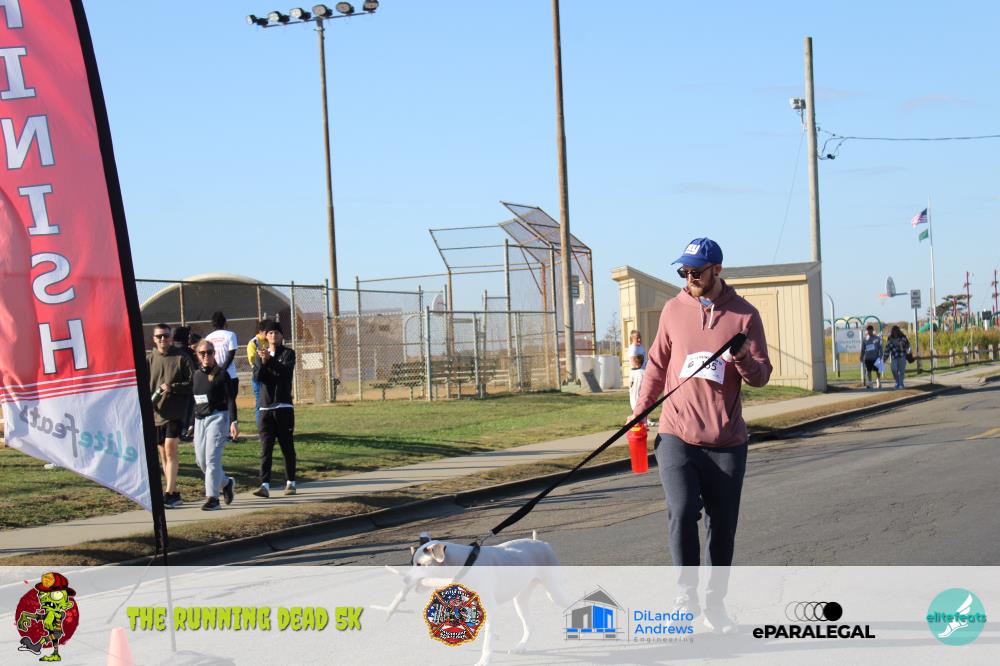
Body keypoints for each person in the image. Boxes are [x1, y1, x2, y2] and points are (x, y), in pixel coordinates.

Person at [631, 237, 772, 633]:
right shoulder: (674, 310)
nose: (688, 278)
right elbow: (657, 365)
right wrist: (641, 410)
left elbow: (762, 375)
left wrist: (741, 359)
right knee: (681, 510)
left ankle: (715, 604)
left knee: (722, 525)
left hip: (726, 441)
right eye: (684, 271)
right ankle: (686, 596)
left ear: (717, 270)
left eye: (695, 272)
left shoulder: (745, 316)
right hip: (677, 433)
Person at [146, 323, 194, 508]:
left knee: (170, 448)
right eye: (159, 336)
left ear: (171, 337)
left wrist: (173, 387)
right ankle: (173, 492)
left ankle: (169, 493)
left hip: (176, 412)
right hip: (157, 413)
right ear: (154, 339)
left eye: (166, 336)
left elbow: (193, 383)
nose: (162, 339)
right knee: (163, 455)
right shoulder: (150, 360)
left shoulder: (181, 358)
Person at [252, 320, 297, 498]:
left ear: (282, 336)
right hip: (266, 408)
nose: (273, 335)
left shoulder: (288, 353)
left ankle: (291, 482)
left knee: (287, 446)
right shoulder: (260, 355)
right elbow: (259, 377)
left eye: (277, 333)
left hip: (283, 406)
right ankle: (264, 485)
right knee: (266, 448)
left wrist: (270, 361)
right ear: (265, 336)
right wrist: (264, 362)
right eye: (270, 333)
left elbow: (284, 373)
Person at [191, 339, 237, 511]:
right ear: (197, 355)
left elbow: (231, 399)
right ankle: (226, 482)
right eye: (202, 353)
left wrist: (233, 421)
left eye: (209, 352)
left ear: (214, 354)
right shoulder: (196, 375)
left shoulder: (221, 374)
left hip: (218, 417)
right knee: (201, 461)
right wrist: (190, 423)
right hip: (199, 420)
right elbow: (194, 401)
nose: (206, 356)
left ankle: (213, 498)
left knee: (211, 459)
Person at [205, 311, 241, 441]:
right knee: (230, 401)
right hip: (230, 375)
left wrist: (216, 370)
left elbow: (208, 356)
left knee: (219, 404)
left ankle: (221, 432)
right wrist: (223, 371)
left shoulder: (208, 337)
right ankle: (232, 431)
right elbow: (231, 354)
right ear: (225, 322)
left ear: (213, 324)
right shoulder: (230, 334)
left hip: (213, 375)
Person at [171, 326, 197, 441]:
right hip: (186, 386)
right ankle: (182, 432)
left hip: (173, 385)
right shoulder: (188, 352)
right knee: (187, 409)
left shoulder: (171, 350)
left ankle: (178, 432)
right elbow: (194, 369)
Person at [627, 330, 654, 425]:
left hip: (642, 373)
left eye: (640, 337)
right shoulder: (632, 348)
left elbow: (645, 361)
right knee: (635, 397)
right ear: (632, 338)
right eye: (637, 338)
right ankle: (637, 418)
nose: (639, 339)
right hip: (636, 374)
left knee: (643, 396)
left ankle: (644, 418)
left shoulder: (641, 347)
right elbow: (634, 362)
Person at [247, 319, 269, 430]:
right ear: (261, 331)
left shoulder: (269, 341)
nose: (269, 334)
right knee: (260, 403)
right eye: (267, 332)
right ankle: (261, 428)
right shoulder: (253, 343)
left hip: (270, 376)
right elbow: (253, 362)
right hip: (259, 378)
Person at [883, 325, 911, 389]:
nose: (895, 332)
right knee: (893, 369)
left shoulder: (903, 337)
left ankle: (901, 384)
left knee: (901, 371)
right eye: (894, 331)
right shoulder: (890, 338)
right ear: (892, 332)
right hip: (894, 357)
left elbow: (908, 346)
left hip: (902, 356)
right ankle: (897, 382)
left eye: (896, 331)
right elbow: (887, 348)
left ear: (898, 331)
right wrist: (884, 358)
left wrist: (903, 346)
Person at [860, 324, 883, 389]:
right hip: (868, 357)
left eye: (870, 330)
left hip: (876, 357)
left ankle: (878, 382)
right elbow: (863, 349)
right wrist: (861, 356)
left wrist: (881, 355)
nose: (869, 331)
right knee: (868, 370)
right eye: (868, 330)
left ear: (872, 330)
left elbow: (880, 348)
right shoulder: (865, 339)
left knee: (877, 370)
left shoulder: (877, 338)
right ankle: (870, 383)